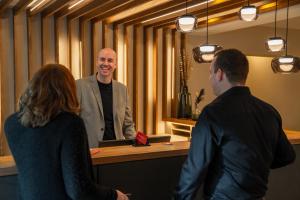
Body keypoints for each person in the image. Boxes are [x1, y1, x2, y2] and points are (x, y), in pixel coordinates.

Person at [174, 49, 296, 200]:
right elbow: (287, 156)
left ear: (219, 74)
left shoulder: (213, 113)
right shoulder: (269, 111)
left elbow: (195, 168)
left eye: (211, 72)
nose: (210, 78)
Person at [4, 64, 129, 200]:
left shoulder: (11, 124)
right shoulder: (70, 124)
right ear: (67, 90)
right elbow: (79, 190)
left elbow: (40, 159)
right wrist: (114, 195)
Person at [76, 48, 136, 148]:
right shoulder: (80, 85)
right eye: (102, 59)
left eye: (110, 60)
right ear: (96, 62)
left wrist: (137, 144)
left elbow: (128, 124)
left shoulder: (122, 89)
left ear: (115, 65)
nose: (106, 63)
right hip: (90, 150)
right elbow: (73, 121)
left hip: (117, 150)